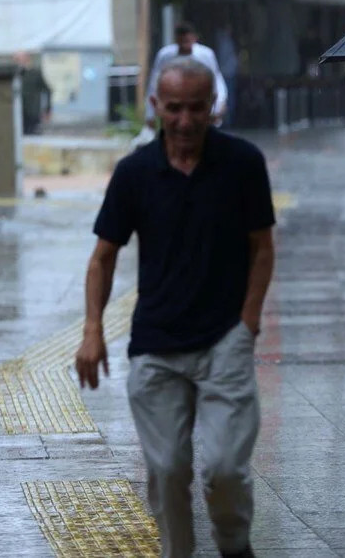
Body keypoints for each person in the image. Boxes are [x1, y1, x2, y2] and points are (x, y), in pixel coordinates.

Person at [75, 57, 275, 557]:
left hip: (224, 340)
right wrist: (93, 330)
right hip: (156, 348)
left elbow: (262, 246)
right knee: (167, 471)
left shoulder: (243, 163)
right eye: (174, 109)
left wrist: (247, 323)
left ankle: (234, 544)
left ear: (213, 107)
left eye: (196, 108)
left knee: (226, 469)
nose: (185, 121)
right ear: (155, 108)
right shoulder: (135, 172)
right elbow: (102, 258)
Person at [145, 22, 228, 128]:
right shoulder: (165, 56)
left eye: (187, 41)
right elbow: (154, 83)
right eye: (181, 42)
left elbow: (216, 79)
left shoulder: (205, 55)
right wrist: (150, 114)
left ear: (194, 39)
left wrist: (219, 104)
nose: (184, 45)